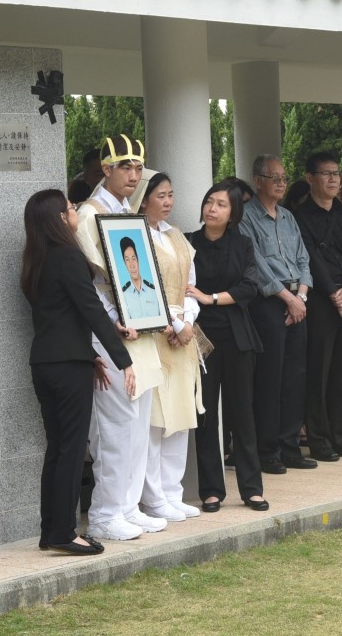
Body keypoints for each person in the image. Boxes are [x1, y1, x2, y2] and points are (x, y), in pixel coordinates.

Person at [22, 189, 135, 555]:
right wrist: (124, 360)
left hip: (46, 363)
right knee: (72, 448)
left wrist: (89, 354)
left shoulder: (35, 259)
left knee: (58, 448)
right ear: (59, 219)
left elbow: (57, 317)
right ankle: (65, 533)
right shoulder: (68, 255)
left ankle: (49, 531)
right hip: (68, 367)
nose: (74, 212)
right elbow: (91, 310)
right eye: (71, 208)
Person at [75, 135, 165, 542]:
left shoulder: (127, 211)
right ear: (106, 169)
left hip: (139, 328)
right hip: (111, 332)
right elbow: (91, 284)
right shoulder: (88, 214)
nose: (134, 174)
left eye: (137, 167)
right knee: (114, 425)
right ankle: (105, 513)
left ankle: (128, 505)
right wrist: (114, 320)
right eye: (125, 167)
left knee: (138, 422)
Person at [186, 181, 269, 512]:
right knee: (204, 414)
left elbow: (250, 287)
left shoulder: (243, 244)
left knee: (242, 413)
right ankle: (211, 490)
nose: (212, 208)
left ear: (233, 212)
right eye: (209, 202)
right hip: (200, 340)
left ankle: (251, 488)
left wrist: (210, 298)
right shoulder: (188, 242)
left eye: (221, 204)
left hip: (236, 336)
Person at [237, 154, 317, 474]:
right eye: (275, 178)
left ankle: (289, 446)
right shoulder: (245, 216)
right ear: (258, 181)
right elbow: (254, 264)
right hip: (269, 301)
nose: (282, 183)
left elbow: (303, 259)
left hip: (297, 299)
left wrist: (301, 296)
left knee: (295, 376)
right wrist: (287, 298)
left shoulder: (287, 216)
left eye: (284, 178)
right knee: (270, 376)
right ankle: (267, 450)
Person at [134, 172, 204, 522]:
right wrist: (173, 323)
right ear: (143, 199)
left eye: (171, 194)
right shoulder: (135, 234)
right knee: (155, 419)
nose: (168, 201)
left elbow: (190, 286)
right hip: (154, 332)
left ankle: (173, 491)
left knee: (180, 416)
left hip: (183, 334)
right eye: (160, 195)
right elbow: (138, 287)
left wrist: (188, 322)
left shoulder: (176, 235)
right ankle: (153, 497)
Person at [295, 152, 342, 458]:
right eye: (325, 174)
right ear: (310, 179)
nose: (333, 180)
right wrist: (337, 299)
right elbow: (312, 260)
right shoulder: (301, 217)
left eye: (336, 174)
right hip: (320, 302)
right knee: (320, 372)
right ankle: (319, 440)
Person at [119, 237, 161, 320]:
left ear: (138, 260)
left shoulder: (154, 290)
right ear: (124, 264)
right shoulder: (123, 295)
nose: (132, 264)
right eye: (127, 260)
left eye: (133, 258)